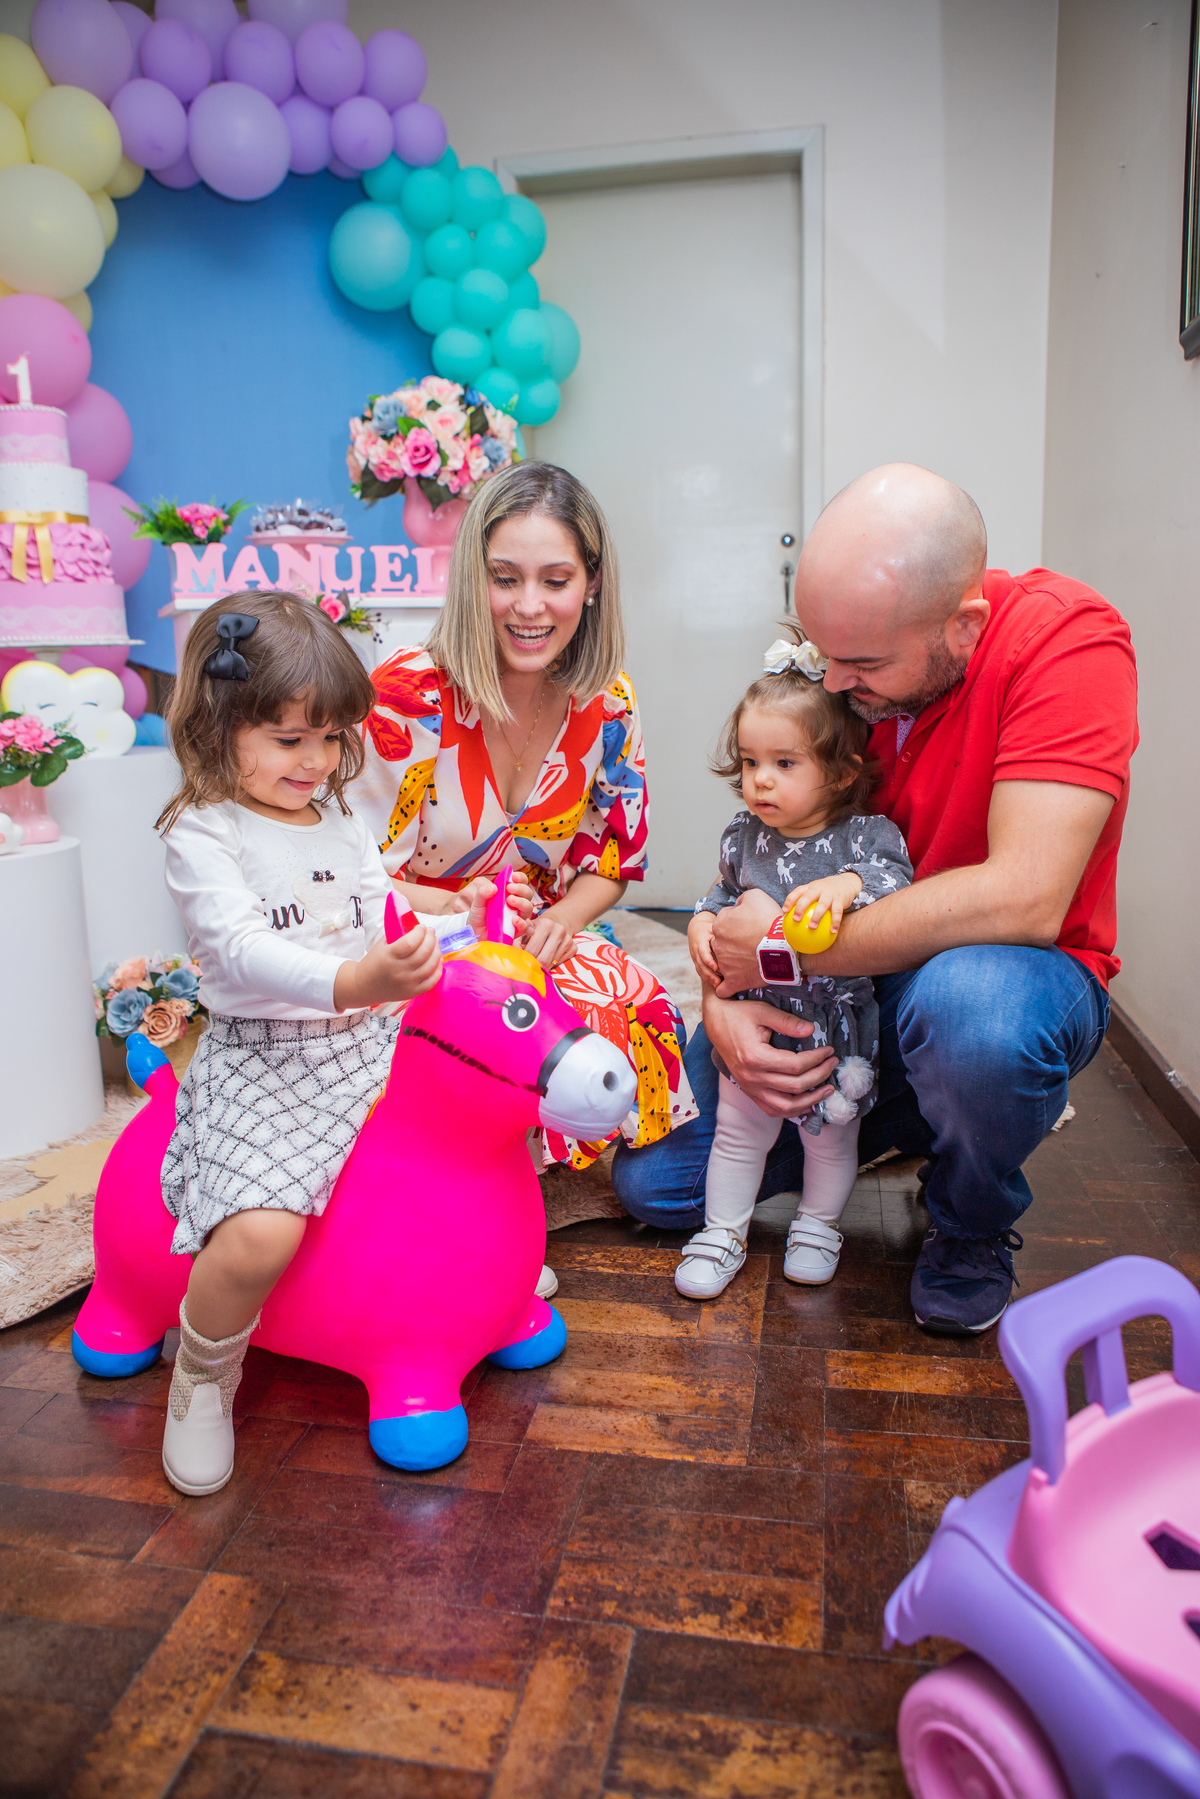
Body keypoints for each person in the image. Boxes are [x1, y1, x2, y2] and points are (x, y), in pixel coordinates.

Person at [613, 463, 1137, 1337]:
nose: (834, 683)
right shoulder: (851, 666)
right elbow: (758, 869)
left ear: (964, 627)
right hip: (841, 989)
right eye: (824, 654)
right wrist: (722, 995)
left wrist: (781, 949)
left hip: (1001, 976)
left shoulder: (1067, 643)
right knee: (657, 1186)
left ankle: (969, 1214)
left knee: (974, 1022)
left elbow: (1027, 897)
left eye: (861, 664)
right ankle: (911, 1111)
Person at [155, 593, 511, 1497]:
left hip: (367, 1035)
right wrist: (356, 981)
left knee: (469, 1121)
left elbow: (375, 897)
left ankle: (483, 1274)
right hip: (266, 1058)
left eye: (329, 737)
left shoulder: (338, 816)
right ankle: (204, 1371)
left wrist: (449, 910)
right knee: (258, 1236)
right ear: (218, 724)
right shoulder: (204, 831)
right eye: (289, 739)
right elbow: (240, 950)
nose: (316, 762)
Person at [355, 460, 697, 1196]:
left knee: (633, 1000)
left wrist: (564, 922)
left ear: (592, 584)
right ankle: (462, 1174)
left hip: (528, 935)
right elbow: (348, 874)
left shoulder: (609, 702)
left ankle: (532, 1164)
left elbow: (613, 859)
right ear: (470, 579)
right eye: (504, 578)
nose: (529, 606)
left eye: (556, 579)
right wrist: (455, 909)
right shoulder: (409, 696)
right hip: (411, 938)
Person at [675, 635, 912, 1302]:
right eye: (751, 762)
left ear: (840, 772)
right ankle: (723, 1232)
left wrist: (845, 885)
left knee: (830, 1138)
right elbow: (719, 896)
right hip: (755, 1021)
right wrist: (699, 925)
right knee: (736, 1134)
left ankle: (817, 1225)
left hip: (832, 1031)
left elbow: (894, 885)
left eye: (784, 763)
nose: (760, 780)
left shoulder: (864, 838)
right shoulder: (744, 837)